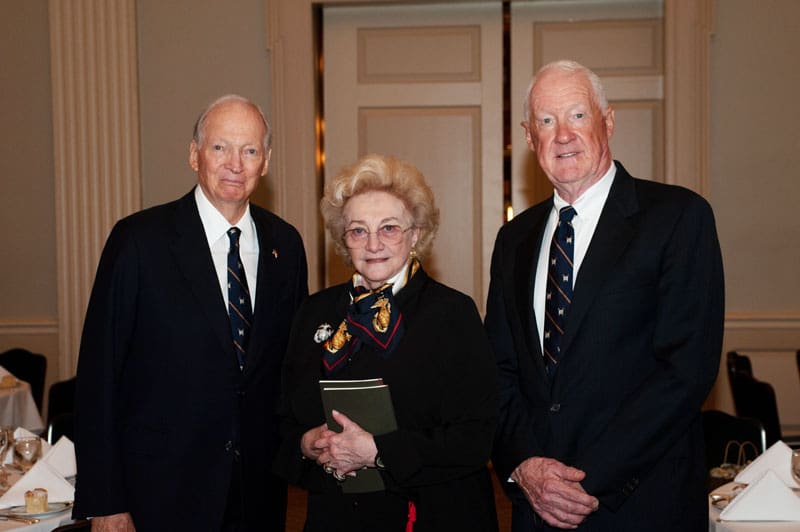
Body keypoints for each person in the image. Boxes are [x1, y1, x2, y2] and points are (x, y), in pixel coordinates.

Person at [485, 60, 724, 531]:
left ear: (607, 121)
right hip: (537, 505)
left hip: (639, 503)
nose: (563, 135)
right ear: (529, 137)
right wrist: (525, 466)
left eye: (577, 115)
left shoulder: (677, 218)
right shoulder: (514, 239)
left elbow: (686, 370)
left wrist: (585, 481)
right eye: (546, 121)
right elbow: (497, 371)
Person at [73, 94, 308, 531]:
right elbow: (98, 376)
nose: (235, 164)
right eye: (220, 147)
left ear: (266, 161)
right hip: (161, 494)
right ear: (194, 155)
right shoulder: (139, 241)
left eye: (249, 150)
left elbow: (292, 369)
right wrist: (105, 502)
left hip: (258, 492)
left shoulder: (286, 246)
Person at [275, 154, 499, 531]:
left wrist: (379, 451)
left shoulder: (452, 313)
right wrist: (305, 443)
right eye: (358, 231)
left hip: (431, 514)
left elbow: (477, 436)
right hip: (337, 518)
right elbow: (283, 418)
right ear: (344, 239)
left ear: (415, 234)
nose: (374, 244)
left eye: (389, 228)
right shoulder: (314, 312)